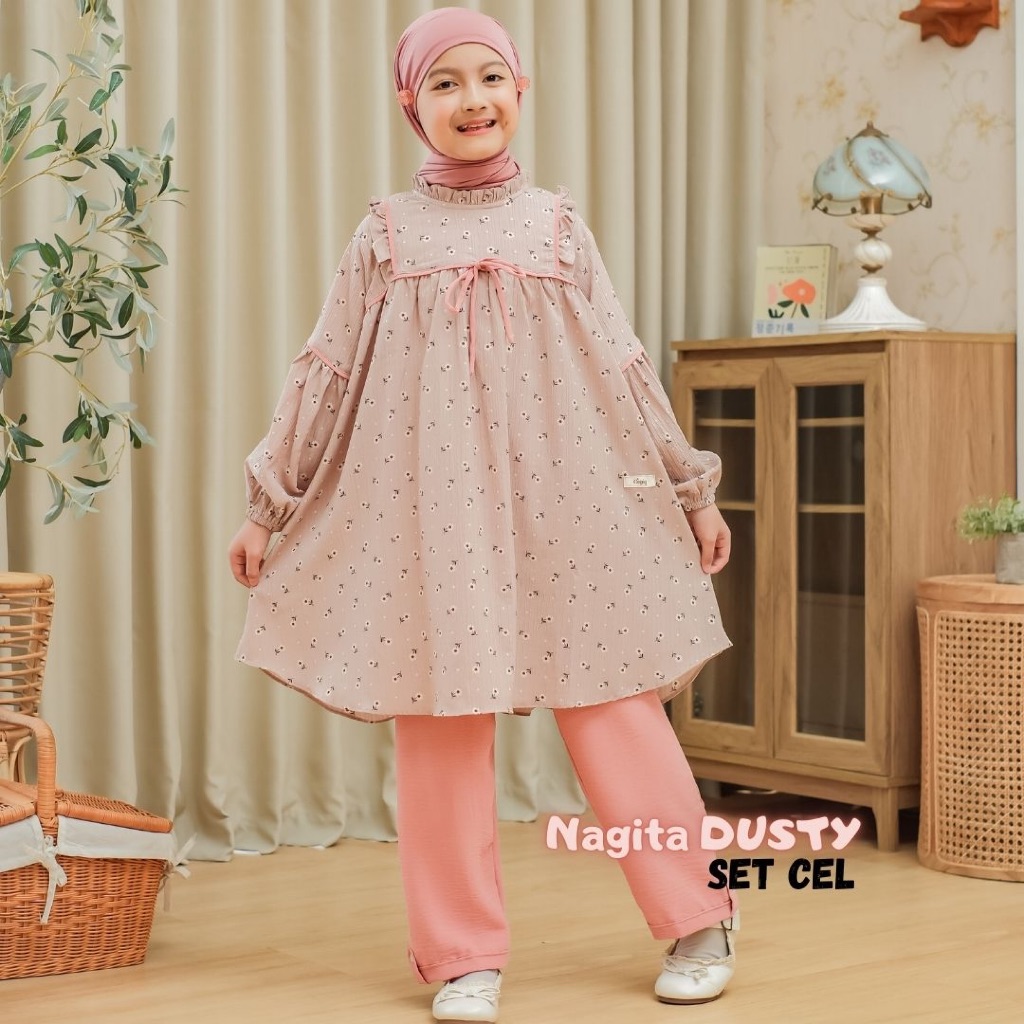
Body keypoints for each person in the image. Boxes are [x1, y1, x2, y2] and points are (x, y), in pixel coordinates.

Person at [228, 7, 737, 1022]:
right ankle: (462, 952)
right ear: (410, 103)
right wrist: (269, 504)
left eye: (491, 77)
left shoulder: (557, 225)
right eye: (446, 82)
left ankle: (698, 916)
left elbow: (622, 363)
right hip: (435, 510)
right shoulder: (384, 233)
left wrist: (689, 488)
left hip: (571, 496)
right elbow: (326, 369)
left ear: (520, 90)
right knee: (441, 723)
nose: (473, 99)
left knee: (616, 710)